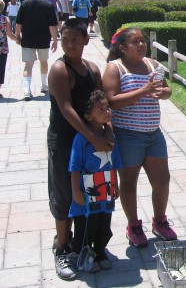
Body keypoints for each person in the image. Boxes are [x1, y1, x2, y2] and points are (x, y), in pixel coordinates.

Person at [48, 18, 114, 280]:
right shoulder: (59, 70)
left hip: (91, 143)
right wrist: (91, 136)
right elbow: (66, 108)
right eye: (65, 40)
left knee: (91, 195)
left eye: (75, 39)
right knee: (65, 196)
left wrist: (107, 131)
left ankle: (85, 245)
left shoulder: (93, 69)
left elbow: (101, 103)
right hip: (65, 142)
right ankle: (63, 247)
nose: (70, 44)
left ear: (86, 39)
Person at [102, 27, 177, 248]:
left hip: (153, 134)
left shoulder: (153, 65)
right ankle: (133, 225)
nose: (141, 45)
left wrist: (164, 93)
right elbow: (112, 101)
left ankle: (160, 221)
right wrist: (144, 91)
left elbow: (167, 90)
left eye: (142, 41)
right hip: (127, 136)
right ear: (123, 48)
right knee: (129, 182)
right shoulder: (115, 68)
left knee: (162, 180)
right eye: (135, 42)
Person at [69, 89, 122, 273]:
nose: (107, 111)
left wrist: (116, 184)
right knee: (86, 225)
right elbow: (75, 166)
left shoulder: (110, 138)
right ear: (88, 116)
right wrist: (76, 190)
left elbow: (114, 163)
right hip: (87, 191)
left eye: (107, 107)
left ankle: (100, 252)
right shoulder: (81, 139)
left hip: (106, 188)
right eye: (101, 109)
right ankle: (83, 253)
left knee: (104, 223)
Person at [15, 0, 58, 100]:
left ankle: (27, 90)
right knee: (43, 62)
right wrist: (55, 40)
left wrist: (17, 35)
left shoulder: (25, 4)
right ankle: (44, 85)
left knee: (28, 65)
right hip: (43, 39)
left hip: (28, 39)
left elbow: (19, 23)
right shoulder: (48, 5)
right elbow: (52, 26)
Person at [0, 0, 19, 98]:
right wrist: (18, 40)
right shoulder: (5, 19)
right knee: (1, 67)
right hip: (2, 47)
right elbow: (10, 34)